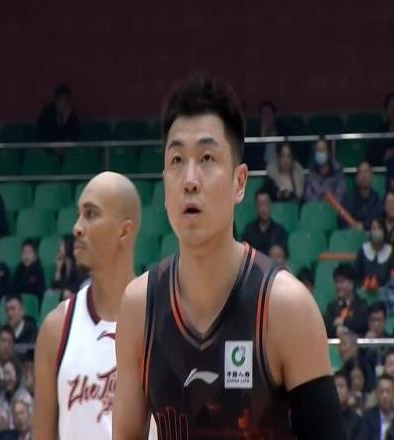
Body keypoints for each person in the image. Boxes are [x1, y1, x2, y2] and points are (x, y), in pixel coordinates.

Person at [112, 75, 344, 438]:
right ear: (164, 180)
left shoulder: (287, 308)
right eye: (177, 160)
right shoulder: (138, 308)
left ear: (240, 182)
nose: (190, 179)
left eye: (207, 158)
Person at [33, 172, 153, 439]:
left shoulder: (163, 321)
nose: (77, 227)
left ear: (124, 230)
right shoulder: (56, 329)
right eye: (79, 215)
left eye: (91, 214)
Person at [324, 264, 369, 337]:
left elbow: (363, 323)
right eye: (336, 282)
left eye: (341, 282)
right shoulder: (331, 307)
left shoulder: (362, 305)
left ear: (351, 283)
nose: (338, 286)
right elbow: (327, 327)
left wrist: (344, 322)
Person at [242, 187, 288, 255]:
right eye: (260, 204)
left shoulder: (279, 231)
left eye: (266, 203)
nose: (264, 208)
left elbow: (282, 257)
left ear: (271, 205)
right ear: (256, 206)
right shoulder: (249, 230)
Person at [0, 359, 32, 432]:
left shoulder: (26, 398)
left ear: (17, 375)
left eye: (9, 374)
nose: (7, 378)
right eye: (4, 374)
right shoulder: (1, 399)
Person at [355, 216, 393, 290]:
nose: (377, 231)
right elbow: (356, 276)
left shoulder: (391, 252)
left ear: (384, 231)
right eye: (374, 228)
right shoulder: (362, 250)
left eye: (379, 228)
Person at [305, 136, 346, 203]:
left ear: (328, 153)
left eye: (323, 150)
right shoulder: (311, 173)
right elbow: (308, 196)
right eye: (318, 150)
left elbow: (340, 195)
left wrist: (328, 203)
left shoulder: (338, 172)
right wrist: (320, 203)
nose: (320, 153)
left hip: (333, 208)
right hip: (316, 208)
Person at [343, 161, 383, 230]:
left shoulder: (376, 197)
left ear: (372, 175)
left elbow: (379, 218)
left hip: (371, 233)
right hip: (353, 233)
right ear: (356, 178)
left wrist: (364, 226)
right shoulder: (350, 197)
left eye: (366, 171)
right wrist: (354, 226)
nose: (364, 176)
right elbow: (344, 220)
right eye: (361, 172)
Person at [334, 370, 367, 440]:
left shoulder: (357, 420)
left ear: (349, 391)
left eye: (341, 386)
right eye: (335, 387)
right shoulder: (326, 417)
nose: (337, 390)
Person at [51, 234, 84, 299]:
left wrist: (68, 290)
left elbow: (80, 284)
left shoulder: (77, 264)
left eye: (62, 245)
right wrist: (58, 269)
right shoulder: (63, 265)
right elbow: (55, 287)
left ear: (68, 246)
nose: (59, 248)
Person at [364, 374, 394, 440]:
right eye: (381, 391)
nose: (385, 395)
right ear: (376, 393)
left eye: (388, 391)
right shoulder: (368, 417)